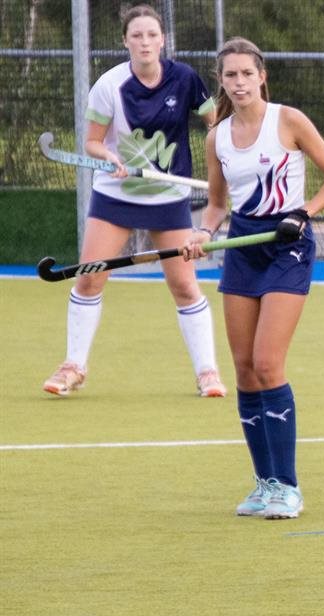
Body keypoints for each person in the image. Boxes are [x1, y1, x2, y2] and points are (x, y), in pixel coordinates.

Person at [182, 37, 324, 519]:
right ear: (221, 81)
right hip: (242, 248)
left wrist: (304, 212)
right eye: (229, 75)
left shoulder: (288, 121)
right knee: (243, 369)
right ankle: (265, 483)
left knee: (267, 363)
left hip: (287, 244)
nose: (238, 83)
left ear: (262, 76)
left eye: (245, 74)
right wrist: (201, 231)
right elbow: (216, 204)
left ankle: (289, 487)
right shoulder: (216, 136)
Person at [43, 4, 227, 399]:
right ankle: (74, 365)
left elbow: (218, 125)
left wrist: (229, 160)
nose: (144, 42)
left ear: (163, 39)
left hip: (168, 196)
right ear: (126, 41)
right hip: (116, 194)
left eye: (151, 35)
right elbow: (92, 142)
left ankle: (207, 372)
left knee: (183, 284)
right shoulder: (110, 85)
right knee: (90, 277)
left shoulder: (186, 79)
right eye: (136, 35)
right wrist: (109, 158)